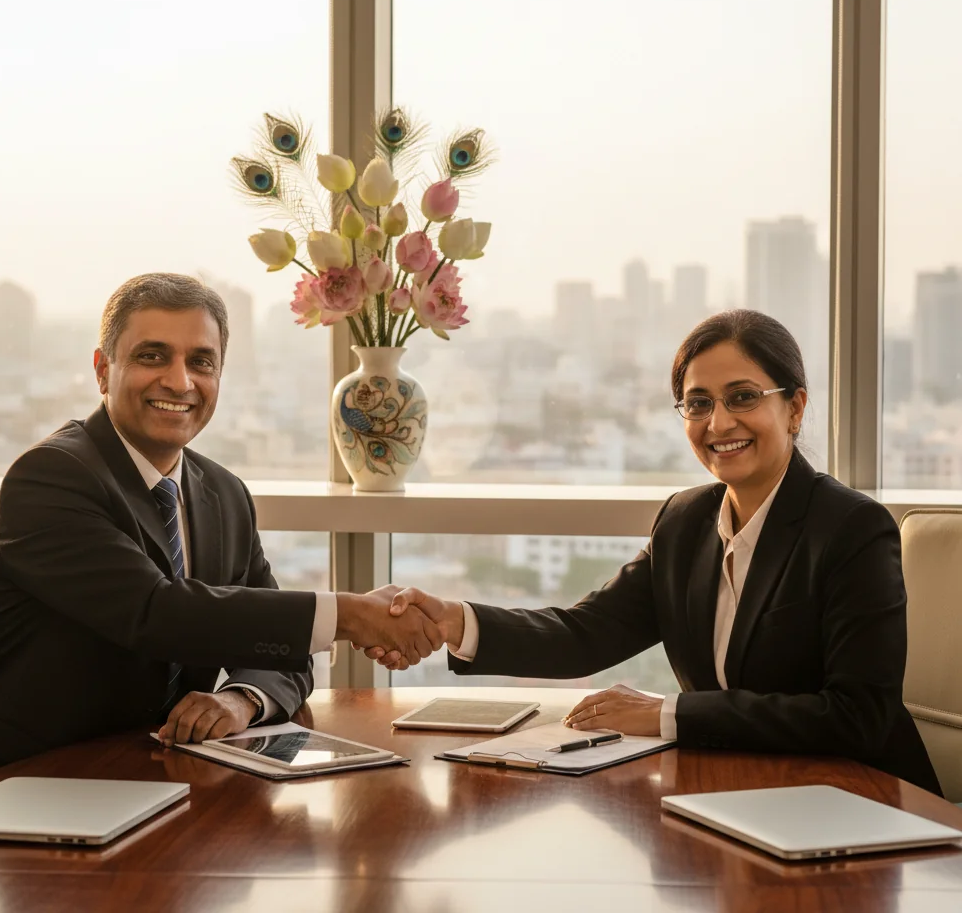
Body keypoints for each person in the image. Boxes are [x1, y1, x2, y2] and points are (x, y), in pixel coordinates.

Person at [367, 310, 941, 794]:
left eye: (743, 397)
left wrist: (665, 714)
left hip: (858, 805)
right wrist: (453, 623)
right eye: (697, 404)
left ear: (794, 407)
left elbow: (856, 717)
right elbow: (583, 634)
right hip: (737, 793)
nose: (719, 422)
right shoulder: (685, 521)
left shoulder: (851, 529)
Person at [0, 273, 442, 789]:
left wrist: (240, 699)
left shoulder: (225, 495)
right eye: (153, 356)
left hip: (157, 779)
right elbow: (156, 612)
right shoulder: (48, 478)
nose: (180, 382)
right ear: (102, 370)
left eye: (201, 362)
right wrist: (350, 615)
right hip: (15, 785)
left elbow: (280, 649)